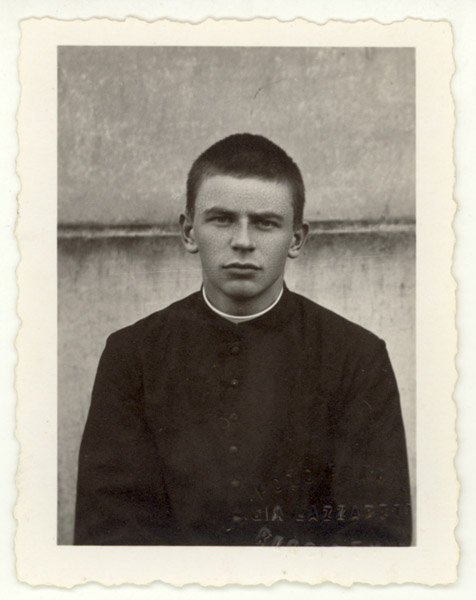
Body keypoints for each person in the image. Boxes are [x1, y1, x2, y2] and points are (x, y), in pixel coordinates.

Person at [74, 133, 412, 546]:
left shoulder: (356, 357)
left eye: (266, 223)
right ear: (189, 231)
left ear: (296, 239)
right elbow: (108, 532)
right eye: (222, 219)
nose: (243, 241)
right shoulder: (132, 355)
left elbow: (376, 536)